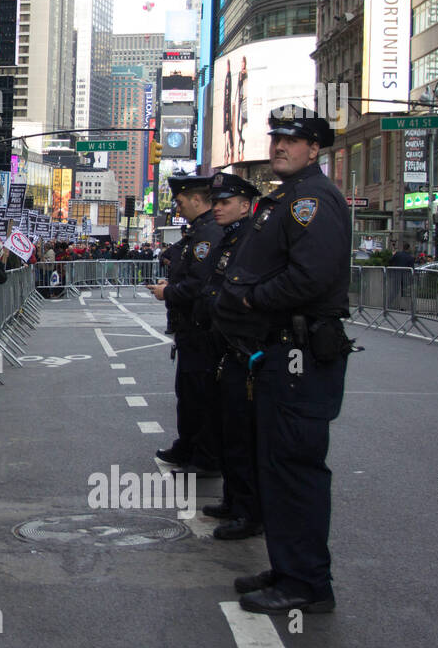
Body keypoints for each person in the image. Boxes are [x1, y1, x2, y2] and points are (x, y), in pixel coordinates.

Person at [215, 106, 352, 615]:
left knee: (295, 466)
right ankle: (290, 566)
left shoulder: (313, 200)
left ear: (314, 149)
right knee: (278, 464)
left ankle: (308, 583)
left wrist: (252, 300)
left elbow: (311, 278)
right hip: (279, 355)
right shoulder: (289, 199)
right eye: (275, 139)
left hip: (299, 355)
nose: (279, 147)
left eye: (292, 141)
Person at [196, 172, 263, 541]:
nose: (216, 207)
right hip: (221, 342)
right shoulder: (230, 238)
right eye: (215, 201)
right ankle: (234, 499)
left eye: (224, 202)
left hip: (240, 345)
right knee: (227, 428)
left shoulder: (252, 239)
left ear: (244, 204)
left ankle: (248, 510)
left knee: (242, 433)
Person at [147, 175, 223, 476]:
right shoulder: (200, 231)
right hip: (191, 326)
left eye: (180, 202)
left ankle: (204, 457)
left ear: (196, 199)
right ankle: (188, 446)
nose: (178, 208)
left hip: (201, 327)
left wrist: (169, 291)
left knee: (201, 395)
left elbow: (198, 283)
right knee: (188, 392)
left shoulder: (208, 234)